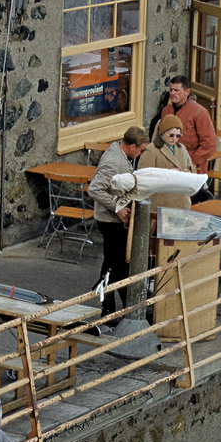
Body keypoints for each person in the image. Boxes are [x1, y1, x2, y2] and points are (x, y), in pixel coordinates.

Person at [87, 125, 149, 332]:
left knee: (114, 263)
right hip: (110, 221)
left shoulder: (120, 155)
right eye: (140, 151)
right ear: (132, 146)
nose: (140, 154)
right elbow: (95, 188)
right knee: (117, 265)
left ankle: (112, 308)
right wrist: (118, 209)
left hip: (113, 220)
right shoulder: (113, 161)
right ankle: (114, 310)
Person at [158, 75, 217, 175]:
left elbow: (209, 143)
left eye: (177, 90)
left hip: (192, 164)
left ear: (187, 92)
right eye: (171, 90)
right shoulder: (166, 111)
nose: (173, 93)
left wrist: (193, 162)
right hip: (169, 163)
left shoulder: (199, 112)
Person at [142, 115, 197, 215]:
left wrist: (188, 172)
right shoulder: (152, 150)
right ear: (163, 132)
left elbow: (191, 168)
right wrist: (168, 173)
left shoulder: (182, 149)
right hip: (161, 202)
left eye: (178, 136)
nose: (174, 139)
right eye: (171, 135)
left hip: (182, 201)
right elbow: (144, 175)